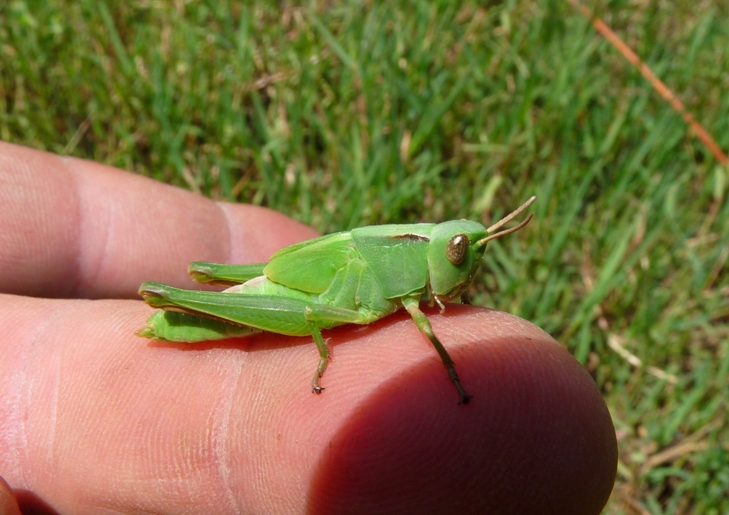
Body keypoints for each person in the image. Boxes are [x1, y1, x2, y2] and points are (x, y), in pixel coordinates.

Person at [0, 142, 616, 515]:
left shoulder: (405, 263)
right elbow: (322, 313)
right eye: (458, 250)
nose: (459, 262)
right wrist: (336, 360)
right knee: (244, 306)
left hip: (304, 294)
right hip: (293, 303)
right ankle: (174, 306)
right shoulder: (387, 271)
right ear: (425, 247)